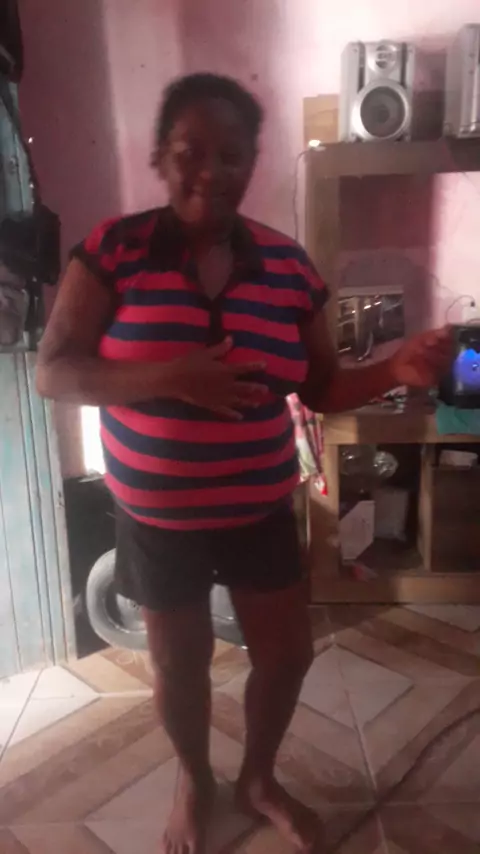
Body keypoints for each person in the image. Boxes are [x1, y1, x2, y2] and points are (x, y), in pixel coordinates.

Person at [36, 73, 451, 854]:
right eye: (190, 151)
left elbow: (321, 387)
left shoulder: (288, 268)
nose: (211, 171)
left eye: (231, 155)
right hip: (159, 516)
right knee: (179, 664)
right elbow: (53, 372)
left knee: (288, 656)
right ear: (160, 156)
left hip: (259, 506)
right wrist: (170, 377)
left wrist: (396, 370)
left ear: (253, 162)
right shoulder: (115, 250)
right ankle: (195, 779)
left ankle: (258, 778)